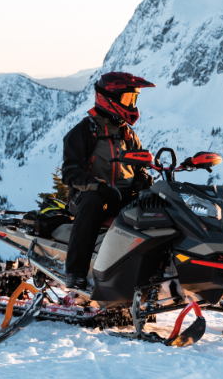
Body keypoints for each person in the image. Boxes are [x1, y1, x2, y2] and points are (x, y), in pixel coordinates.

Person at [60, 71, 156, 289]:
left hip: (121, 196)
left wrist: (143, 182)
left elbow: (139, 166)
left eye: (133, 98)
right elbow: (70, 172)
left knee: (155, 207)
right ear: (108, 98)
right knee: (93, 202)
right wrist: (99, 186)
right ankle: (75, 271)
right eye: (127, 98)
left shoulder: (128, 134)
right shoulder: (85, 131)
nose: (131, 104)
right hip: (87, 197)